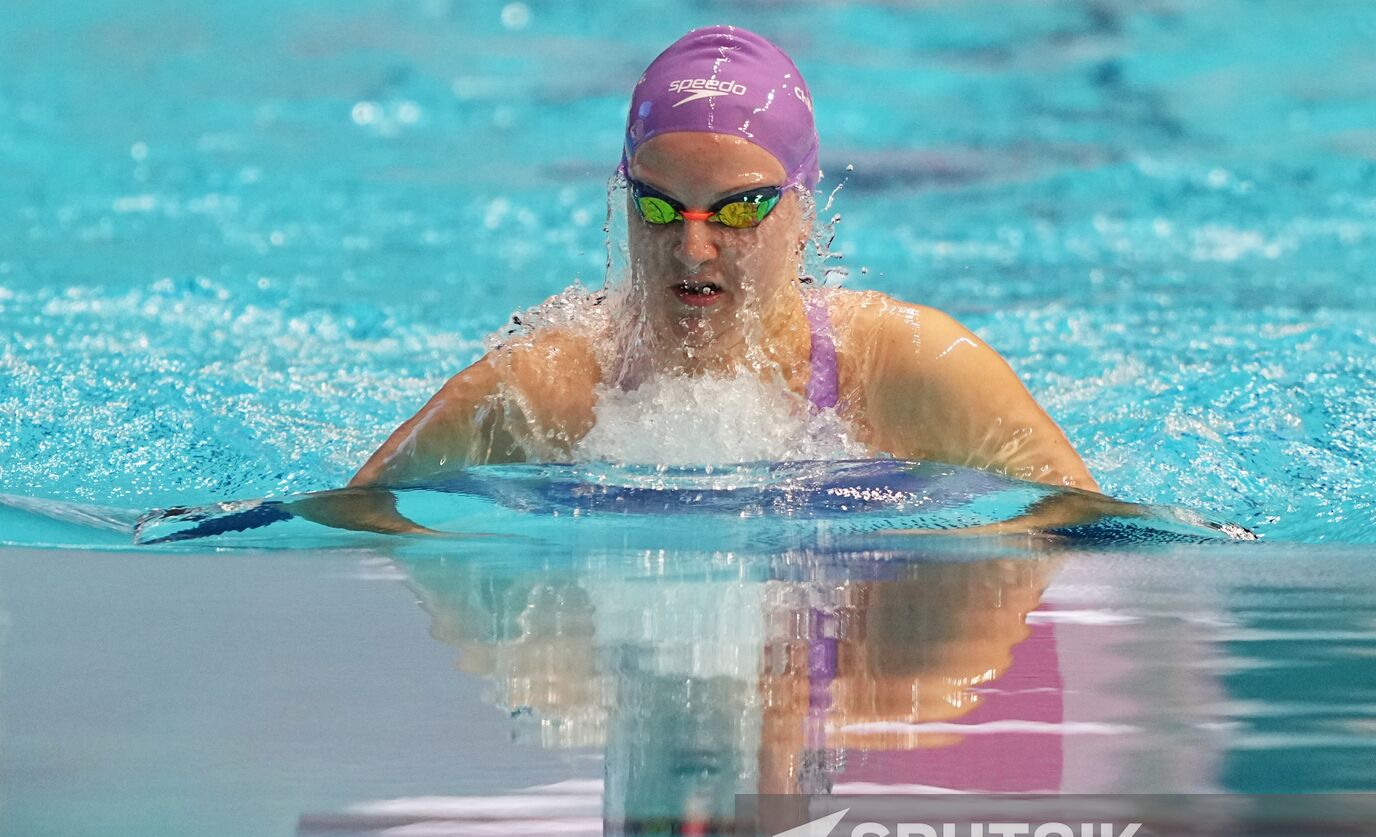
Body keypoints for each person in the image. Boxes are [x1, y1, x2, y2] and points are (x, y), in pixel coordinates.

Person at [308, 26, 1103, 535]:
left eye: (739, 210)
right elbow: (351, 518)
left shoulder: (913, 369)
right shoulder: (539, 389)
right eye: (658, 209)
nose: (693, 250)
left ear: (803, 210)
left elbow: (1088, 527)